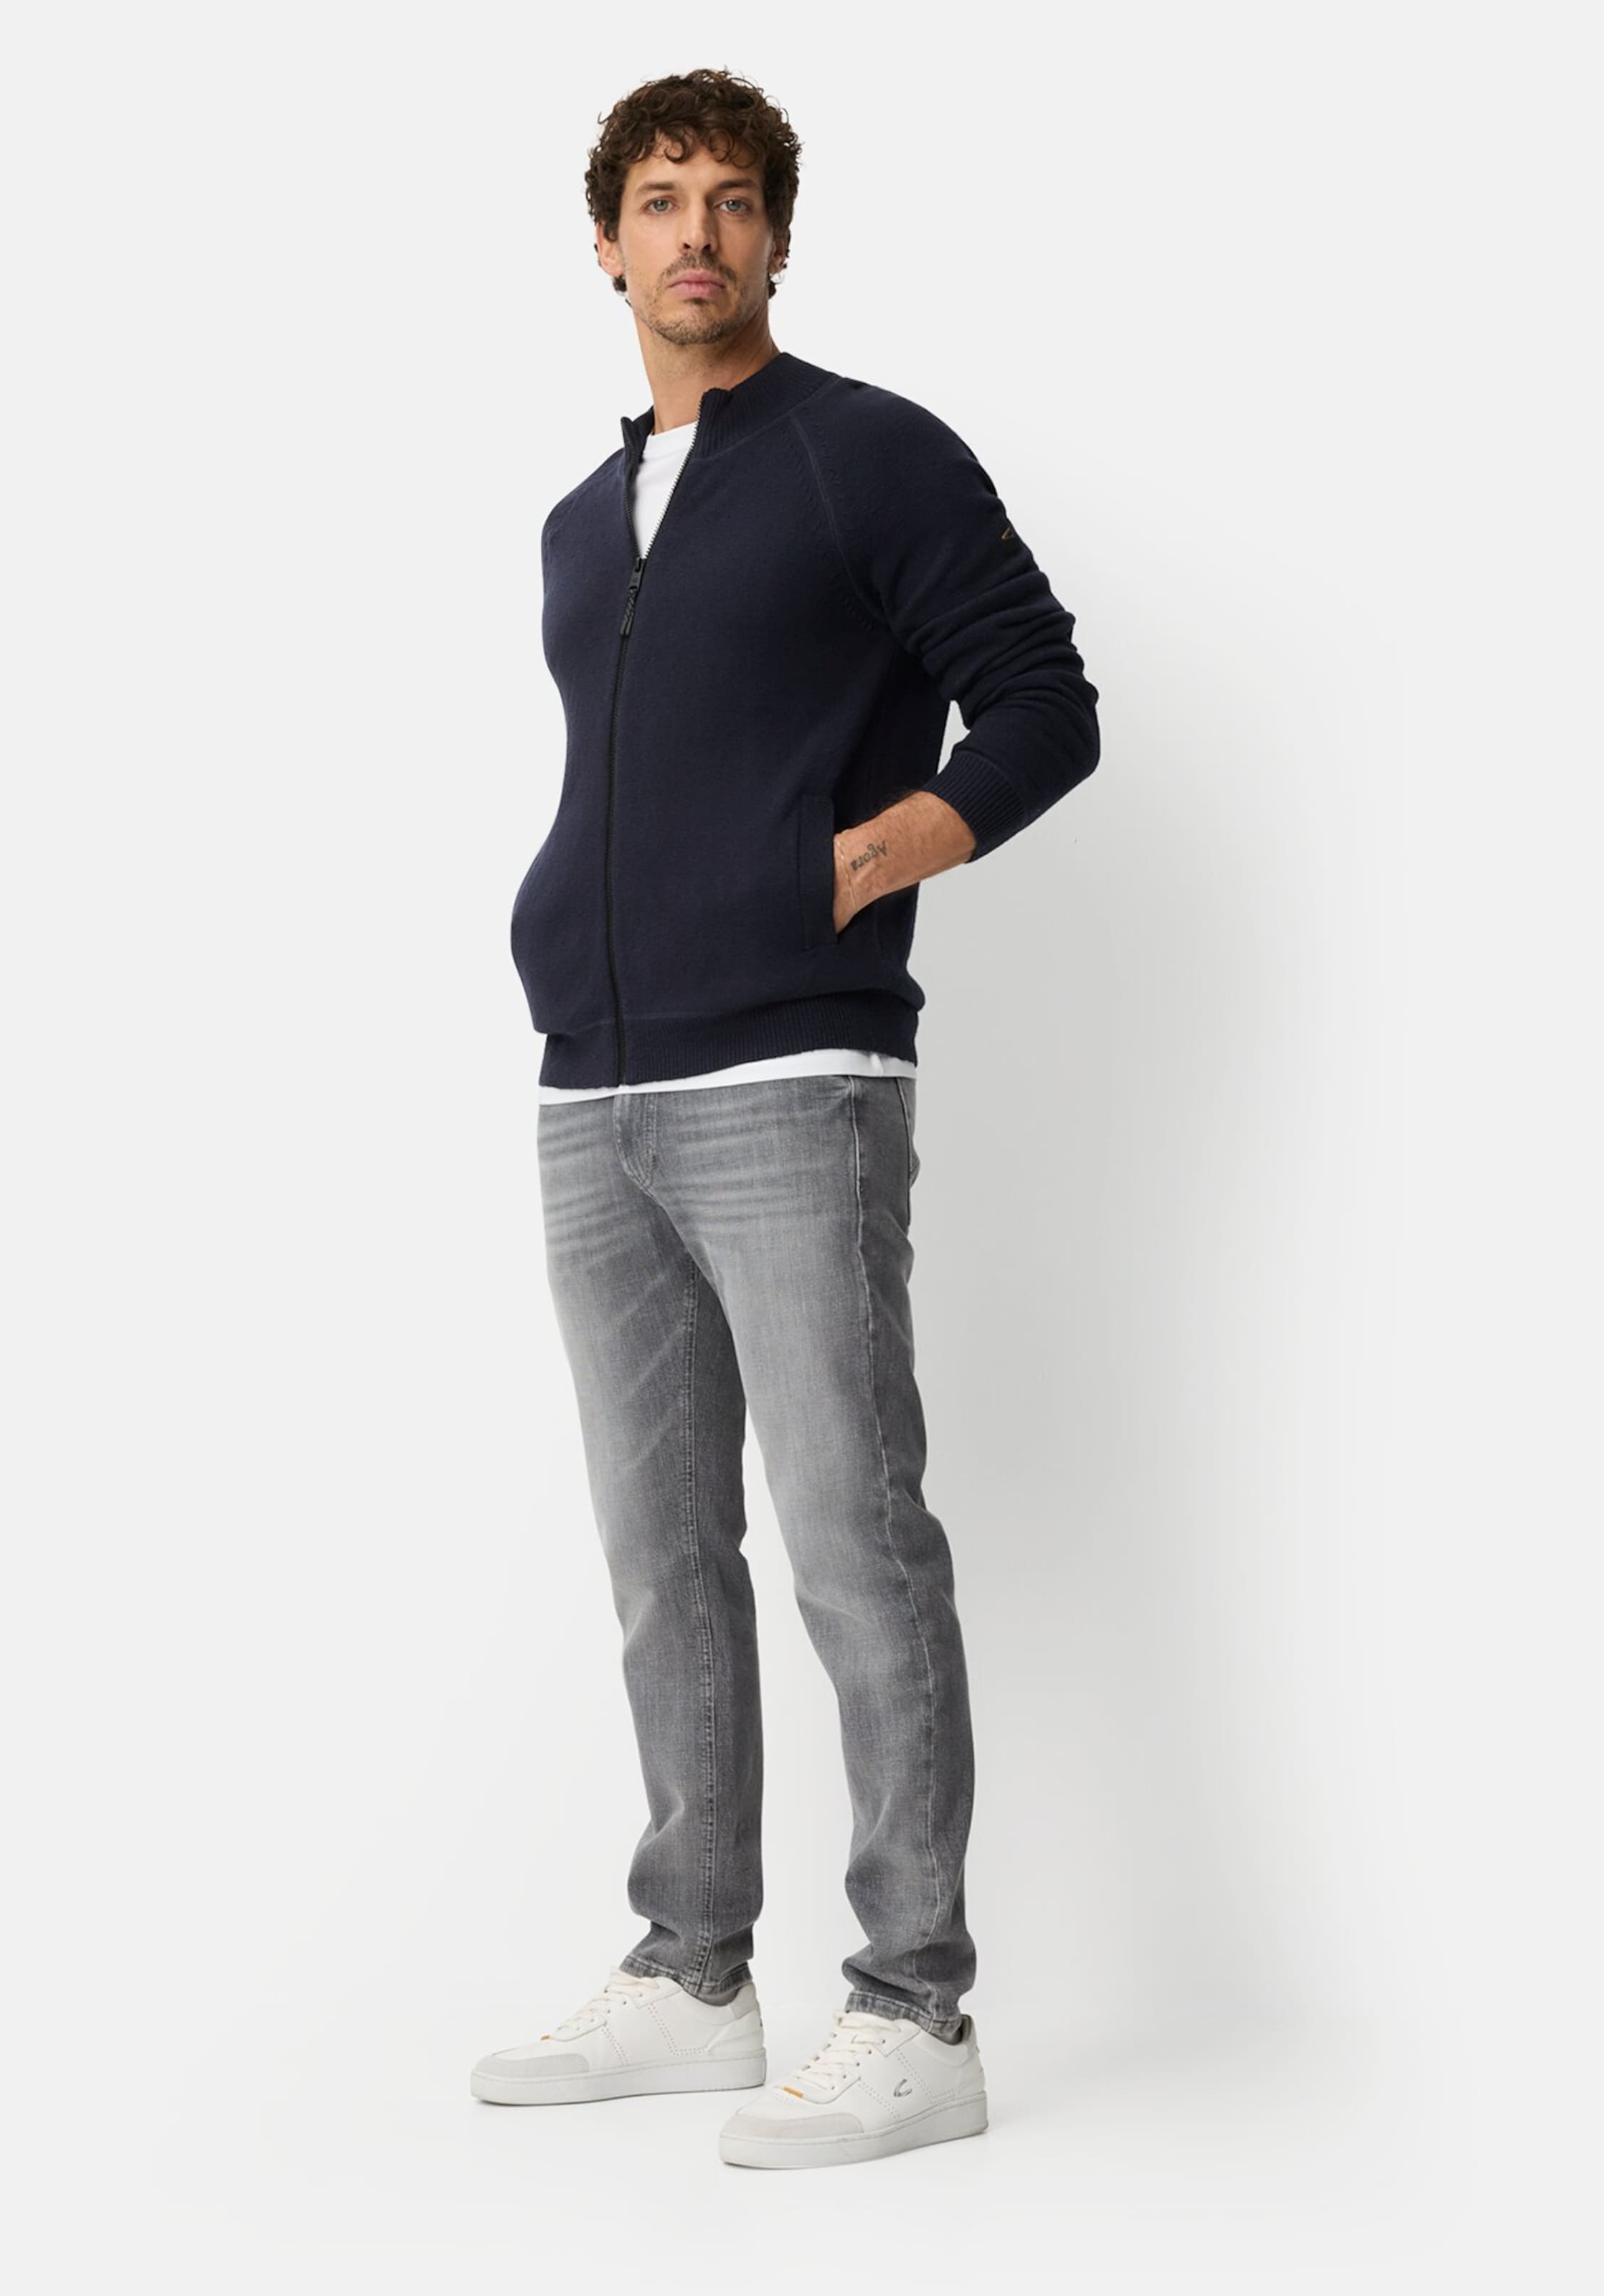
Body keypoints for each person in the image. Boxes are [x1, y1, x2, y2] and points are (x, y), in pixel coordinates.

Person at [472, 67, 1100, 2170]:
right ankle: (693, 1975)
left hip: (792, 1074)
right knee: (663, 1557)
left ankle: (916, 2010)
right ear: (606, 244)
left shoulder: (866, 453)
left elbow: (1043, 699)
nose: (699, 235)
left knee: (852, 1541)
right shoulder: (583, 519)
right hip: (597, 1081)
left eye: (734, 201)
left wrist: (867, 856)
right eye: (661, 201)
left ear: (776, 238)